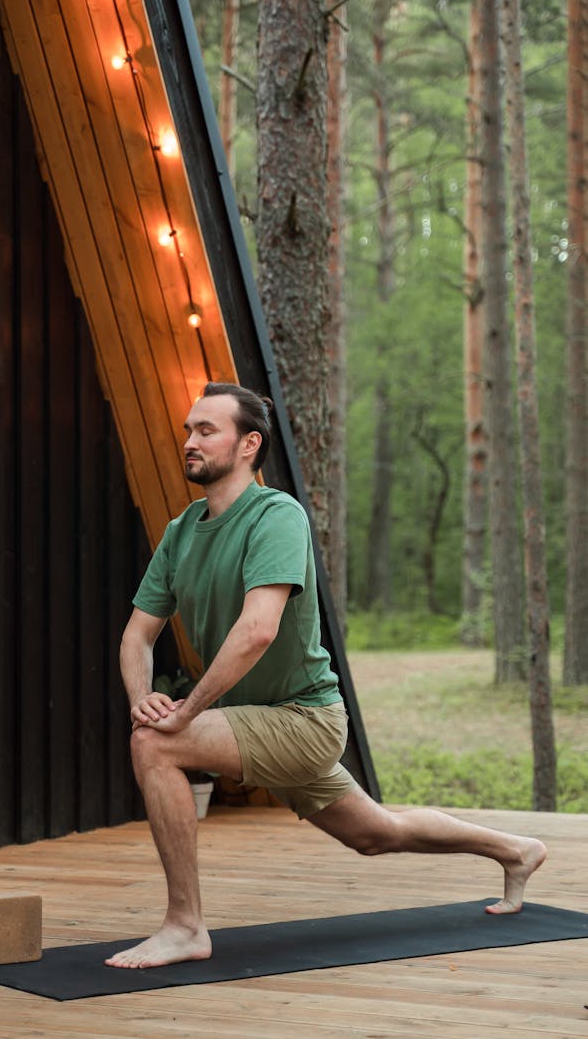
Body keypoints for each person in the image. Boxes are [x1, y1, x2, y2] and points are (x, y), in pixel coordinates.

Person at [105, 382, 546, 971]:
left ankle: (185, 926)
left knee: (156, 746)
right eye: (189, 429)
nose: (190, 441)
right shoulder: (182, 532)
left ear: (247, 444)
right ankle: (516, 849)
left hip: (303, 720)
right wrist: (143, 697)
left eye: (206, 430)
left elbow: (259, 629)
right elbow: (137, 636)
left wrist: (181, 714)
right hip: (257, 722)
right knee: (376, 833)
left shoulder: (276, 515)